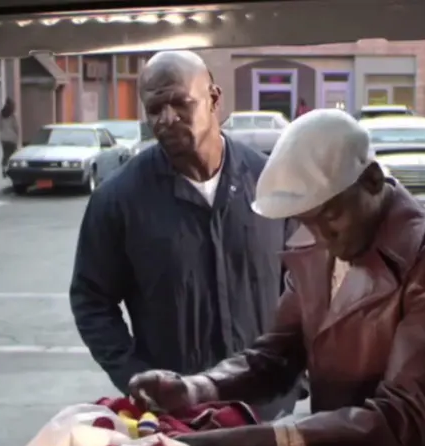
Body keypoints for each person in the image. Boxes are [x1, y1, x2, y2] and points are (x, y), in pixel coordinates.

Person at [128, 109, 425, 446]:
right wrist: (195, 389)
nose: (322, 237)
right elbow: (275, 357)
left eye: (331, 217)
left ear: (372, 180)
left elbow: (405, 417)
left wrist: (268, 438)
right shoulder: (317, 242)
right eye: (307, 221)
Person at [69, 50, 299, 421]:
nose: (167, 119)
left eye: (180, 103)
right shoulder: (118, 200)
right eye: (154, 109)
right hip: (178, 418)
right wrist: (135, 376)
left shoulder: (270, 182)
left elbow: (308, 285)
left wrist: (298, 373)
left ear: (214, 99)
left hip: (269, 411)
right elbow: (91, 299)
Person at [0, 99, 20, 178]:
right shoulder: (13, 116)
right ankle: (11, 170)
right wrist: (17, 136)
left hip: (3, 138)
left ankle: (4, 169)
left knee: (5, 154)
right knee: (12, 155)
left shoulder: (2, 115)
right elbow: (16, 127)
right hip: (11, 138)